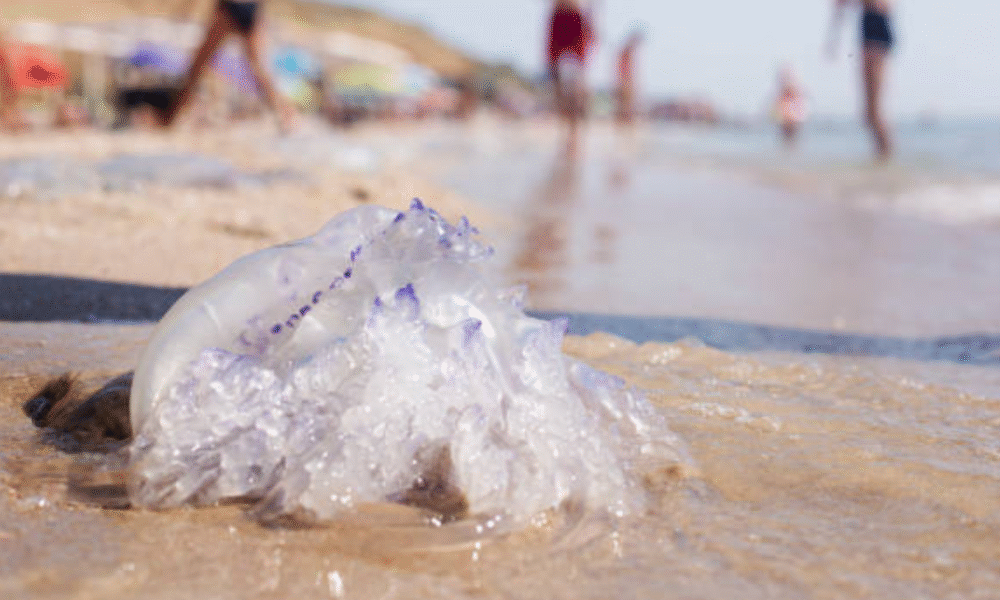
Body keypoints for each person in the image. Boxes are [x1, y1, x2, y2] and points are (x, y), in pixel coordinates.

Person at [164, 0, 295, 131]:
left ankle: (170, 117)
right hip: (250, 9)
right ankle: (285, 115)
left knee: (198, 67)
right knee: (259, 69)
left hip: (231, 8)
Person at [828, 0, 895, 159]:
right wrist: (832, 40)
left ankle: (887, 157)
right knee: (868, 114)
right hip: (868, 26)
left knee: (873, 112)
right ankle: (882, 161)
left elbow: (885, 5)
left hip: (877, 26)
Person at [546, 0, 595, 148]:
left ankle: (573, 134)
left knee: (577, 84)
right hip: (558, 16)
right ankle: (565, 131)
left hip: (575, 16)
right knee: (557, 83)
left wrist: (592, 20)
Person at [614, 30, 643, 128]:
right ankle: (624, 125)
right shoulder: (627, 51)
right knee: (625, 105)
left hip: (625, 81)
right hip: (625, 82)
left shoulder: (627, 51)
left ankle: (624, 124)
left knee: (625, 105)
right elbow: (625, 69)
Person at [773, 66, 806, 148]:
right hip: (786, 121)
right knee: (787, 142)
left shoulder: (794, 92)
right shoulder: (783, 93)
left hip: (791, 121)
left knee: (790, 142)